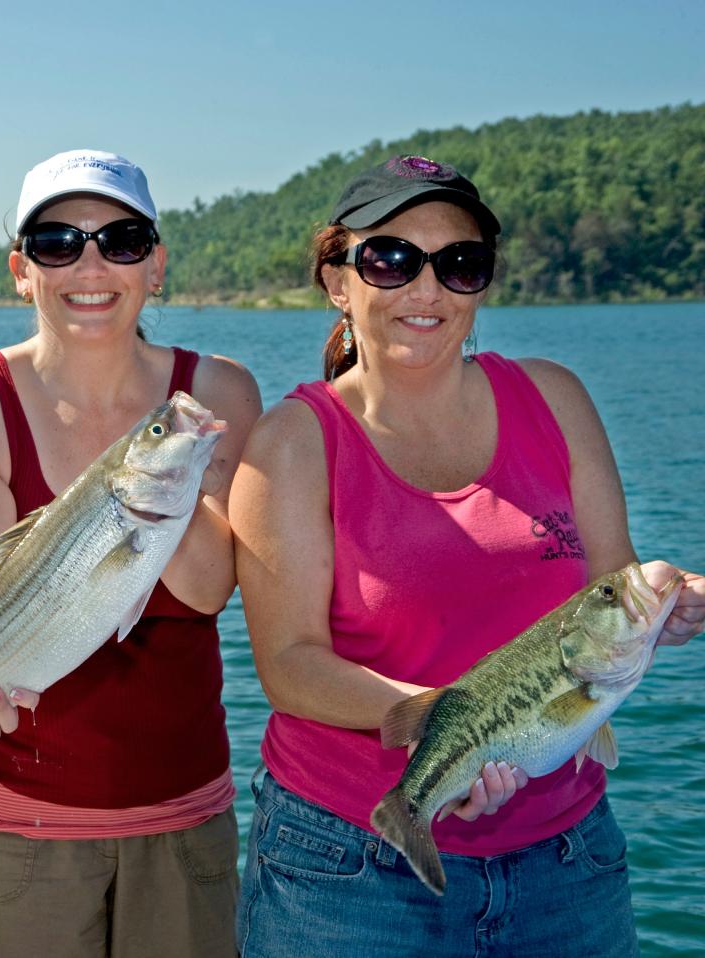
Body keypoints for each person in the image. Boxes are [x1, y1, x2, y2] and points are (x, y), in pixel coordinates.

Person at [228, 154, 705, 957]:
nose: (426, 289)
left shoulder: (555, 398)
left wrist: (675, 602)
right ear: (338, 281)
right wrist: (458, 728)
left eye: (459, 264)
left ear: (483, 284)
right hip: (347, 873)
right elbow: (289, 664)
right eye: (390, 259)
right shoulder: (290, 444)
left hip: (569, 862)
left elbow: (615, 586)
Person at [0, 149, 261, 957]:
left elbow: (207, 587)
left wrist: (147, 466)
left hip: (183, 817)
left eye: (122, 240)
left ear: (157, 264)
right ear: (20, 271)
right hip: (10, 821)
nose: (91, 265)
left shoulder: (220, 395)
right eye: (58, 243)